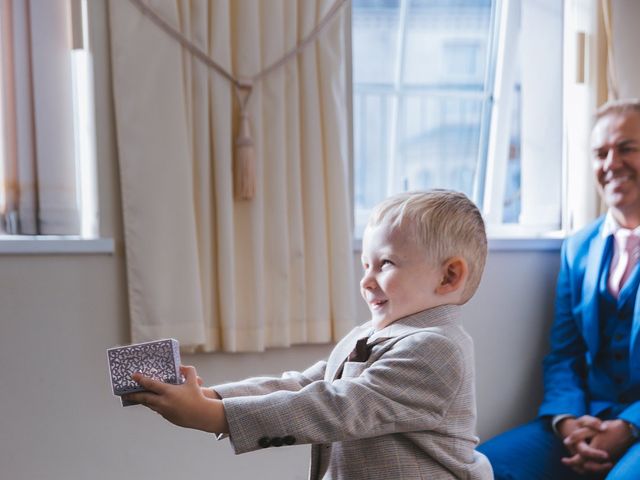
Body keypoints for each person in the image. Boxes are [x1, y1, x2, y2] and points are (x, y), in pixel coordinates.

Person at [124, 190, 493, 480]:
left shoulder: (435, 350)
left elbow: (335, 406)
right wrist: (215, 397)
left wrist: (214, 415)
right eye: (365, 264)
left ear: (449, 277)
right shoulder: (371, 333)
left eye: (386, 264)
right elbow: (305, 384)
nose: (366, 281)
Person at [478, 99, 640, 479]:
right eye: (600, 153)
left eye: (627, 148)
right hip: (584, 417)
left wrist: (629, 427)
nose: (611, 163)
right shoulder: (578, 247)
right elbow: (564, 353)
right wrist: (567, 421)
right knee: (481, 468)